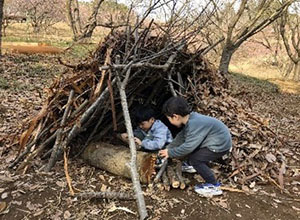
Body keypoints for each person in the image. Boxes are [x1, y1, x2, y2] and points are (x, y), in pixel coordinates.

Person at [159, 97, 232, 197]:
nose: (169, 121)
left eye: (169, 119)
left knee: (196, 159)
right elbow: (181, 137)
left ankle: (213, 185)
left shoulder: (194, 124)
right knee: (194, 149)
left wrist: (170, 153)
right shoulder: (191, 119)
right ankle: (191, 166)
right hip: (214, 140)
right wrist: (169, 148)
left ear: (175, 117)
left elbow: (188, 147)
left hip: (220, 145)